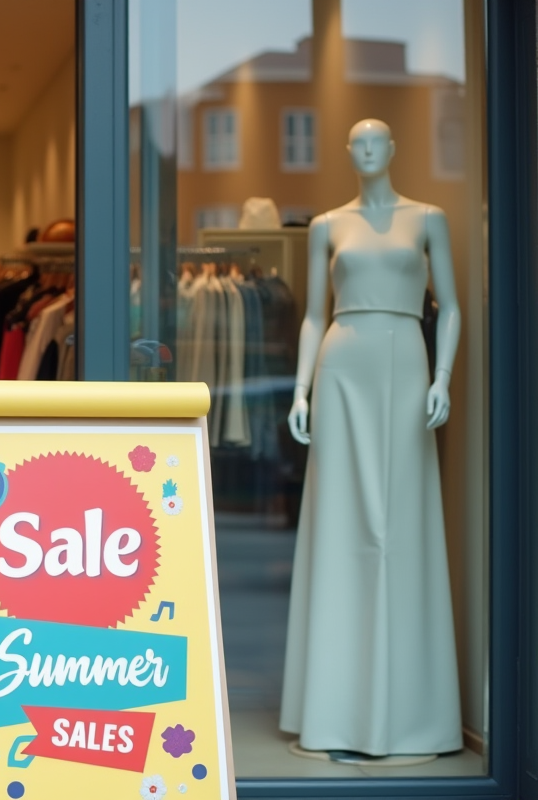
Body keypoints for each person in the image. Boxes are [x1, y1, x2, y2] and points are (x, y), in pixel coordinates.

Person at [281, 119, 462, 759]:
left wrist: (443, 376)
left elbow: (454, 306)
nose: (364, 151)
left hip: (408, 361)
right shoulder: (327, 224)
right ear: (349, 152)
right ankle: (335, 711)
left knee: (402, 527)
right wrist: (301, 390)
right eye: (354, 142)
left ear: (391, 149)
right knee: (342, 527)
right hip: (343, 363)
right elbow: (311, 315)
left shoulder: (429, 217)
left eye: (374, 142)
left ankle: (412, 712)